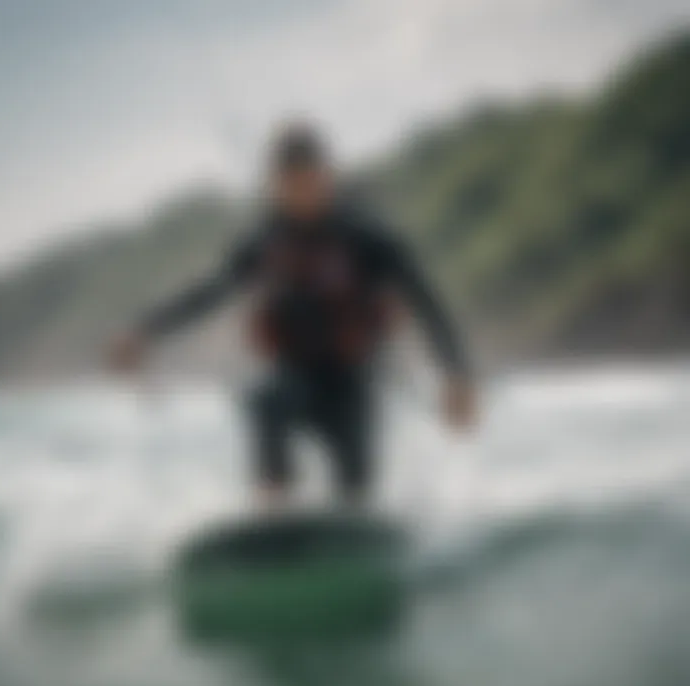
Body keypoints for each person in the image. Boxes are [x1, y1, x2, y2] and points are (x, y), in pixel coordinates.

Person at [110, 122, 477, 507]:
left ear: (326, 176)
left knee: (354, 487)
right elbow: (210, 290)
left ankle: (350, 507)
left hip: (354, 379)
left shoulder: (365, 236)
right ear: (275, 185)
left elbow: (424, 299)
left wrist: (457, 373)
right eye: (289, 183)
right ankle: (273, 499)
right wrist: (144, 331)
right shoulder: (266, 240)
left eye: (309, 179)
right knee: (264, 399)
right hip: (293, 376)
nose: (301, 192)